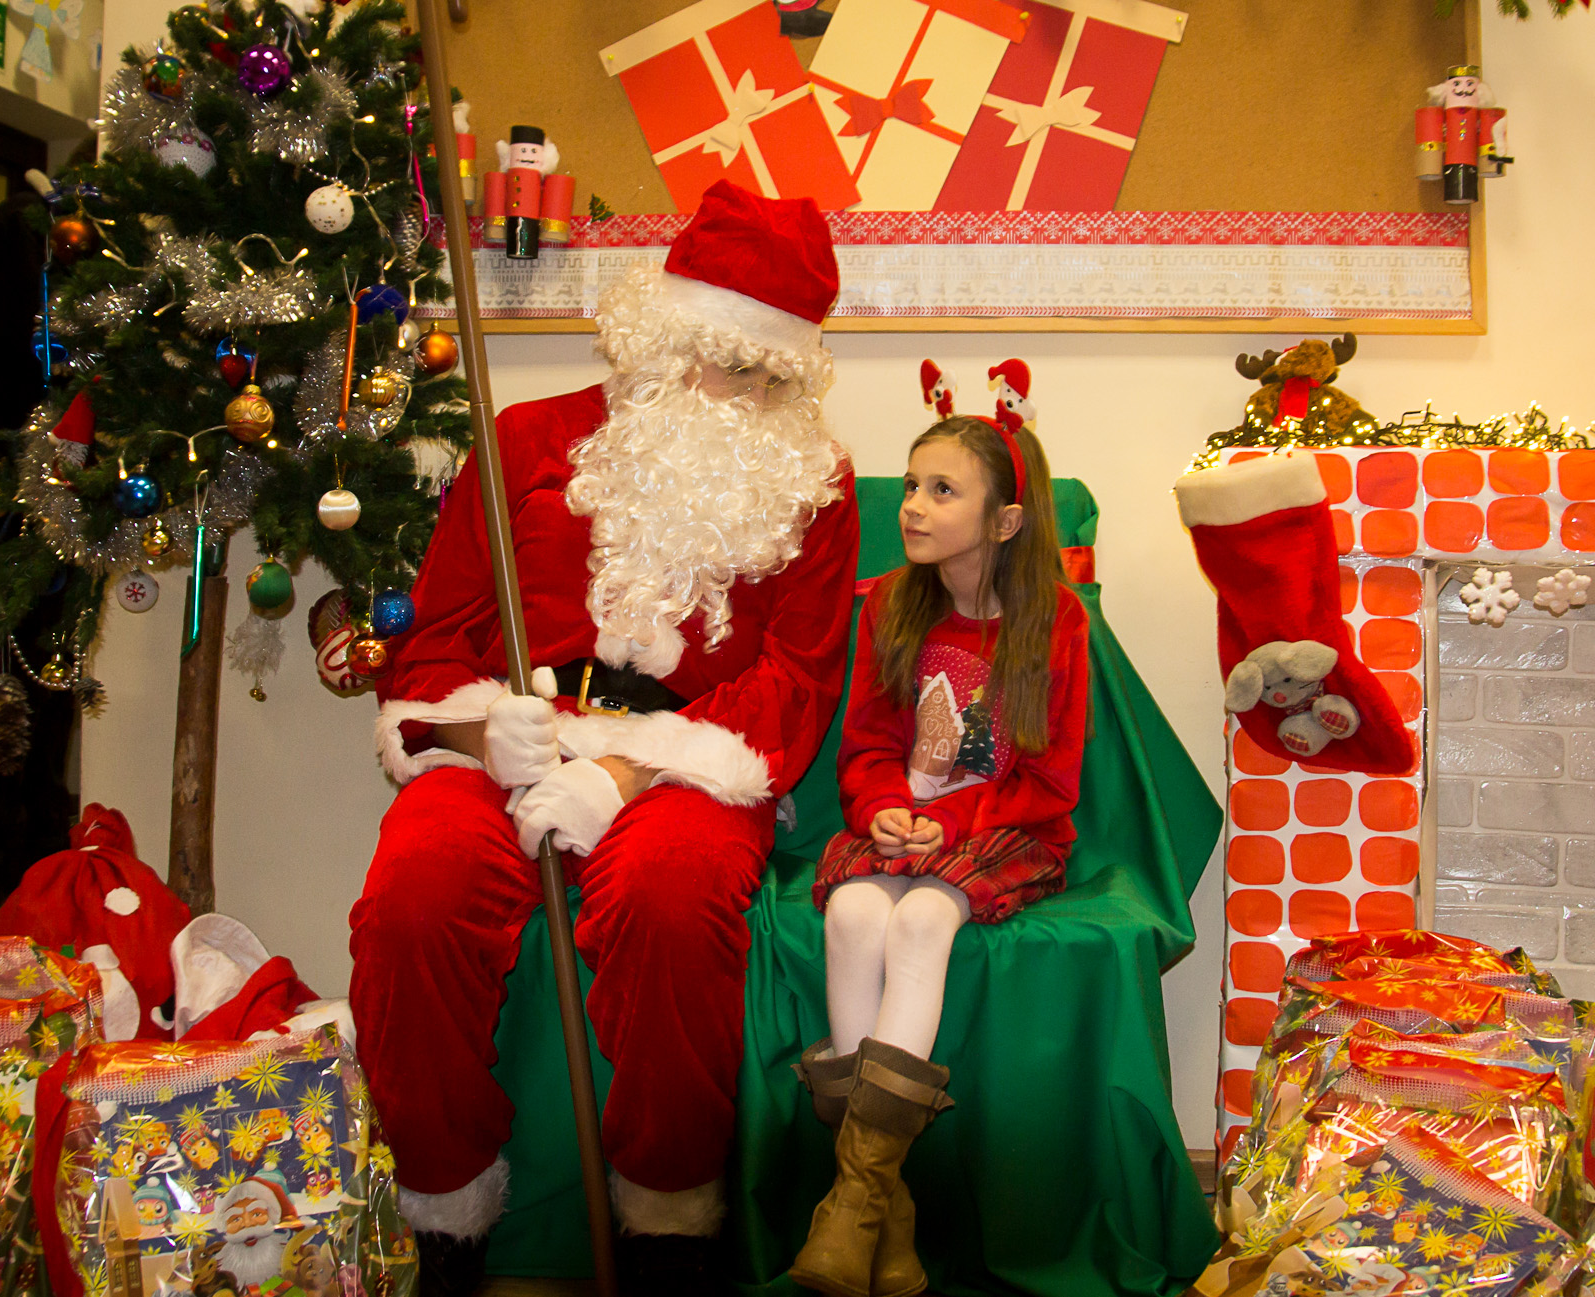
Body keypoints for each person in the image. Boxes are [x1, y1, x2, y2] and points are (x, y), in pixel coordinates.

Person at [350, 180, 860, 1297]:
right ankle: (445, 1209)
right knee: (415, 891)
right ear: (658, 329)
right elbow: (433, 641)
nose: (733, 392)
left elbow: (796, 681)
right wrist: (486, 732)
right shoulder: (527, 438)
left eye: (765, 373)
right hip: (514, 734)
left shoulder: (815, 485)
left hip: (695, 761)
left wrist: (626, 773)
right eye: (713, 356)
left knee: (672, 896)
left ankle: (669, 1223)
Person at [789, 414, 1090, 1297]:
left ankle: (852, 1201)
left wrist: (949, 827)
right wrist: (884, 809)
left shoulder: (1055, 623)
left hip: (1004, 831)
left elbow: (1050, 779)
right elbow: (869, 747)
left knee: (920, 919)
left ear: (1004, 521)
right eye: (913, 485)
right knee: (851, 909)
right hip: (903, 825)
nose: (912, 506)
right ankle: (880, 1208)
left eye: (941, 491)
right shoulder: (889, 604)